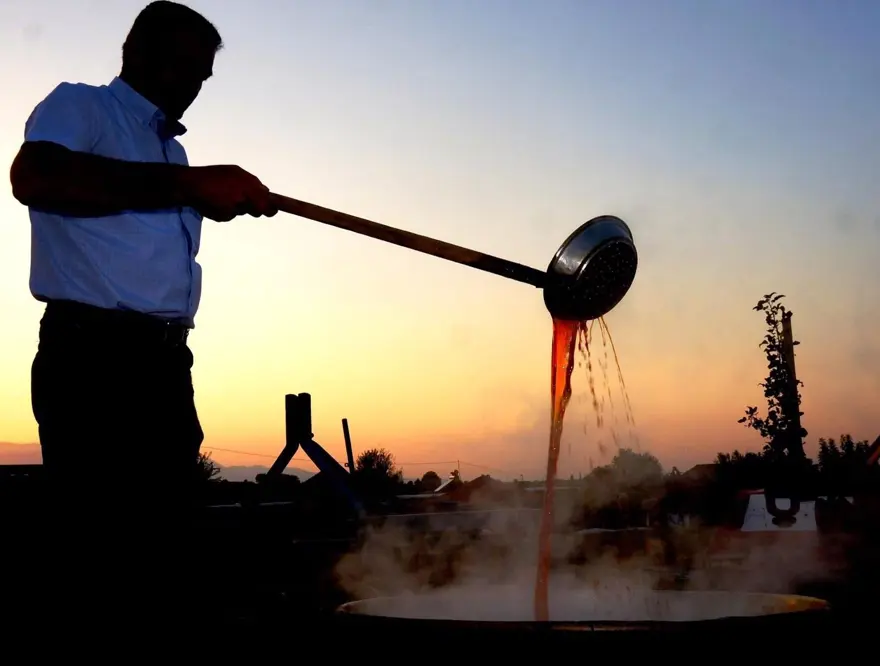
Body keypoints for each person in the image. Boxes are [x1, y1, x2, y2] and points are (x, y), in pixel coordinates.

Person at [8, 1, 276, 637]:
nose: (194, 89)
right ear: (139, 53)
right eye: (187, 69)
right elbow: (36, 176)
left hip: (162, 365)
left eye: (203, 78)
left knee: (162, 549)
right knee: (101, 554)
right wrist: (187, 189)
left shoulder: (169, 154)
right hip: (94, 361)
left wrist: (200, 190)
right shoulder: (83, 106)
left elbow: (141, 212)